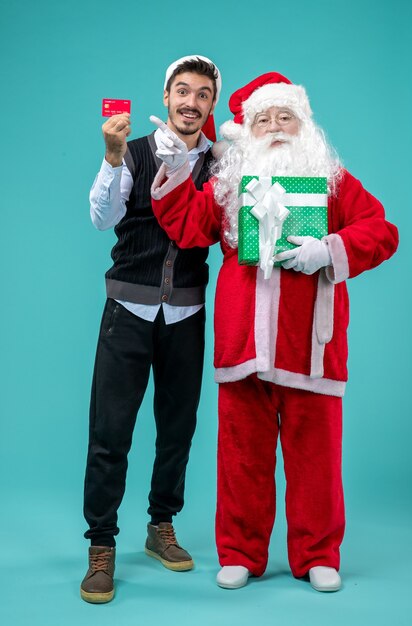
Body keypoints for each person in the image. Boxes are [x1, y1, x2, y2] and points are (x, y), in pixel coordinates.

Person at [150, 72, 399, 592]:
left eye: (285, 116)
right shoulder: (228, 183)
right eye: (263, 119)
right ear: (249, 130)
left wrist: (327, 250)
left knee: (317, 459)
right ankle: (240, 551)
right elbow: (190, 227)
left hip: (312, 345)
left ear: (304, 124)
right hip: (243, 341)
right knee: (242, 457)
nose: (275, 127)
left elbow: (381, 229)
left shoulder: (331, 179)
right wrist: (173, 169)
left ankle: (318, 554)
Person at [81, 55, 222, 604]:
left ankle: (160, 524)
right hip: (128, 312)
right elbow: (102, 217)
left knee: (177, 429)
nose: (191, 102)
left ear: (212, 104)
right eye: (181, 91)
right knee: (110, 433)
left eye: (203, 94)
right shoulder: (135, 151)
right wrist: (113, 157)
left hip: (186, 313)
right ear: (165, 98)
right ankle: (101, 545)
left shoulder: (222, 162)